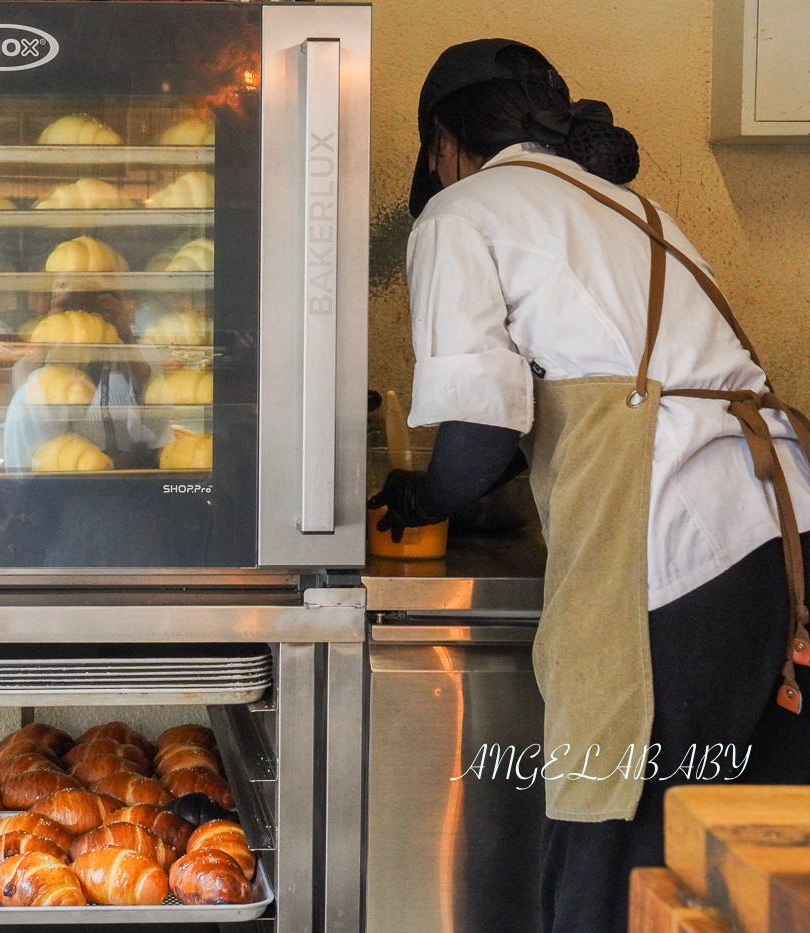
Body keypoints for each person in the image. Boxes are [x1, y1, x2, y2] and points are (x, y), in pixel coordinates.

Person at [368, 39, 810, 933]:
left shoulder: (462, 212)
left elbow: (480, 440)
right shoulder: (628, 207)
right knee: (736, 856)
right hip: (780, 538)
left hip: (678, 556)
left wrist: (414, 500)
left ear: (438, 146)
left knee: (622, 839)